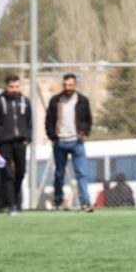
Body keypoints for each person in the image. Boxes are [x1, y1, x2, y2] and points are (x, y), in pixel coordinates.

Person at [45, 73, 94, 212]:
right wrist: (52, 136)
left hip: (77, 142)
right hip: (60, 143)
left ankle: (85, 203)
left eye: (70, 85)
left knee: (82, 173)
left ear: (75, 85)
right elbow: (49, 120)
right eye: (65, 85)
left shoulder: (82, 100)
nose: (68, 87)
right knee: (59, 173)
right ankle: (57, 202)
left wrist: (83, 133)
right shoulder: (55, 100)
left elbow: (88, 120)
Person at [0, 74, 32, 216]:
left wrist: (28, 137)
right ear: (6, 86)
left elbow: (29, 121)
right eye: (11, 87)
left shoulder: (25, 101)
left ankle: (16, 200)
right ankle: (11, 204)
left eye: (17, 86)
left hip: (20, 143)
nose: (14, 89)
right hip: (4, 143)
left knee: (21, 173)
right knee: (7, 174)